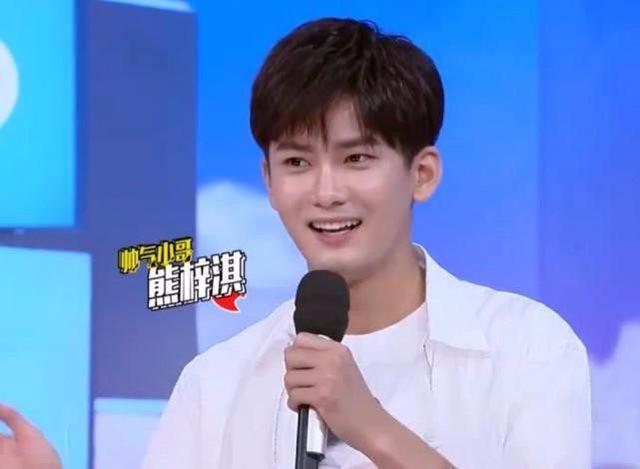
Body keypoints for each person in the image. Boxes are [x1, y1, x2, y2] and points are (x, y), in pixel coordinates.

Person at [0, 17, 591, 469]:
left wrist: (371, 428)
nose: (326, 192)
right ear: (268, 181)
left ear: (422, 174)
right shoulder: (217, 383)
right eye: (297, 162)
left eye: (356, 158)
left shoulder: (527, 347)